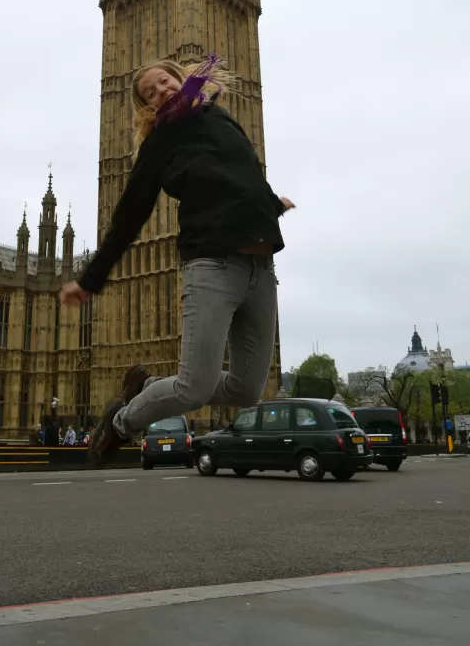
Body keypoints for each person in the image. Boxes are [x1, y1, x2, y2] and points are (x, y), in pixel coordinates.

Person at [61, 55, 295, 467]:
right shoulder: (161, 140)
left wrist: (271, 204)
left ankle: (149, 386)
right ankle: (119, 424)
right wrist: (90, 279)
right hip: (211, 265)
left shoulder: (219, 116)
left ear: (179, 77)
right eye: (150, 92)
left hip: (261, 268)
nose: (162, 90)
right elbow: (131, 212)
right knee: (192, 389)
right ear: (147, 107)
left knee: (245, 391)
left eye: (164, 81)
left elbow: (244, 173)